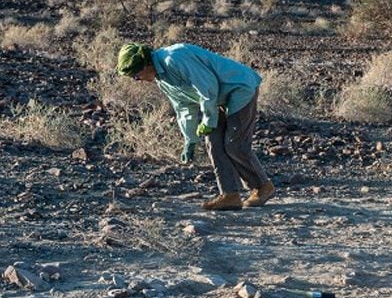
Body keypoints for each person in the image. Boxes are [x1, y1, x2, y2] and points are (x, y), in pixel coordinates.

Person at [116, 42, 276, 211]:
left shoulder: (174, 59)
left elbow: (207, 87)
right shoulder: (162, 79)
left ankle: (262, 187)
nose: (137, 80)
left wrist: (208, 120)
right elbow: (183, 107)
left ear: (145, 63)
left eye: (136, 75)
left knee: (234, 144)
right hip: (217, 99)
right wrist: (189, 140)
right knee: (214, 143)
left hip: (239, 87)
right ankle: (230, 195)